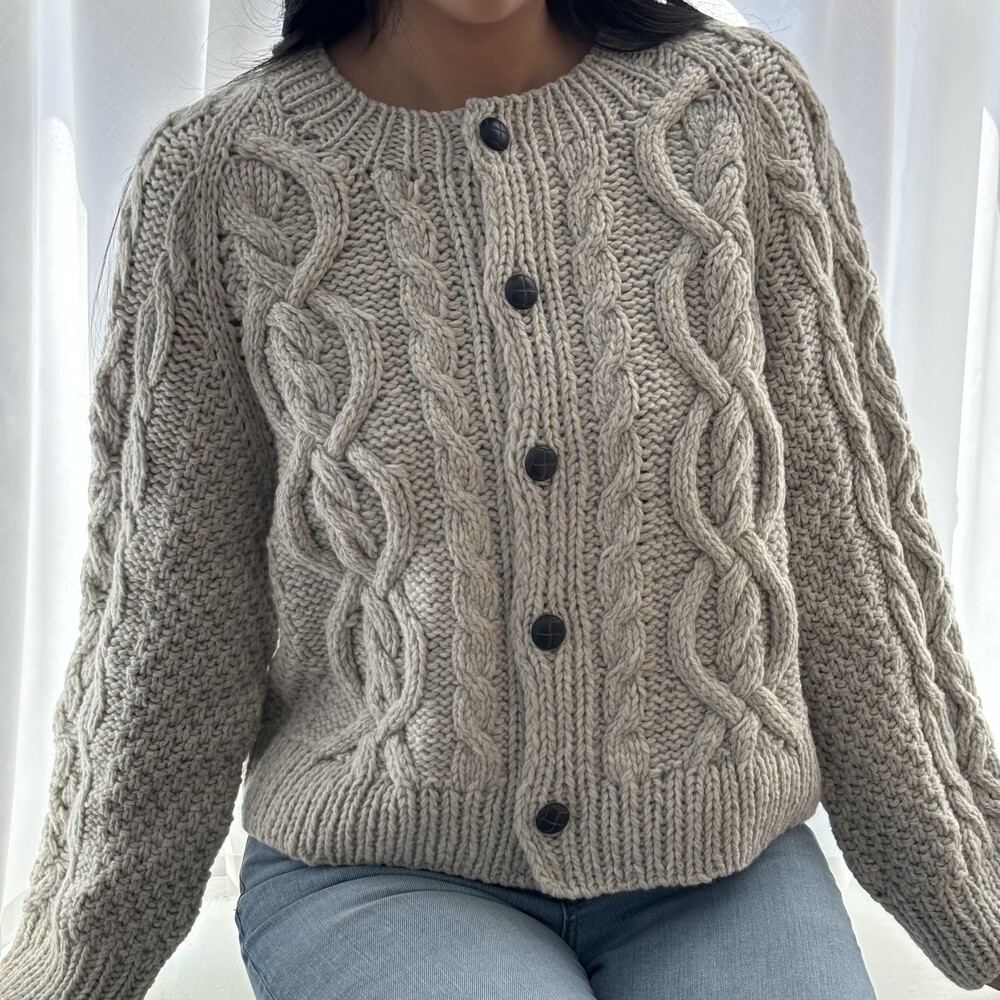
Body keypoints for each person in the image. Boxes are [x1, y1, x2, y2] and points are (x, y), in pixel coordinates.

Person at [2, 0, 1000, 997]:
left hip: (721, 859)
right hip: (382, 866)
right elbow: (171, 616)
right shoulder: (223, 177)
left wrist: (974, 887)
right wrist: (77, 966)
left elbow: (848, 536)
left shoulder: (737, 111)